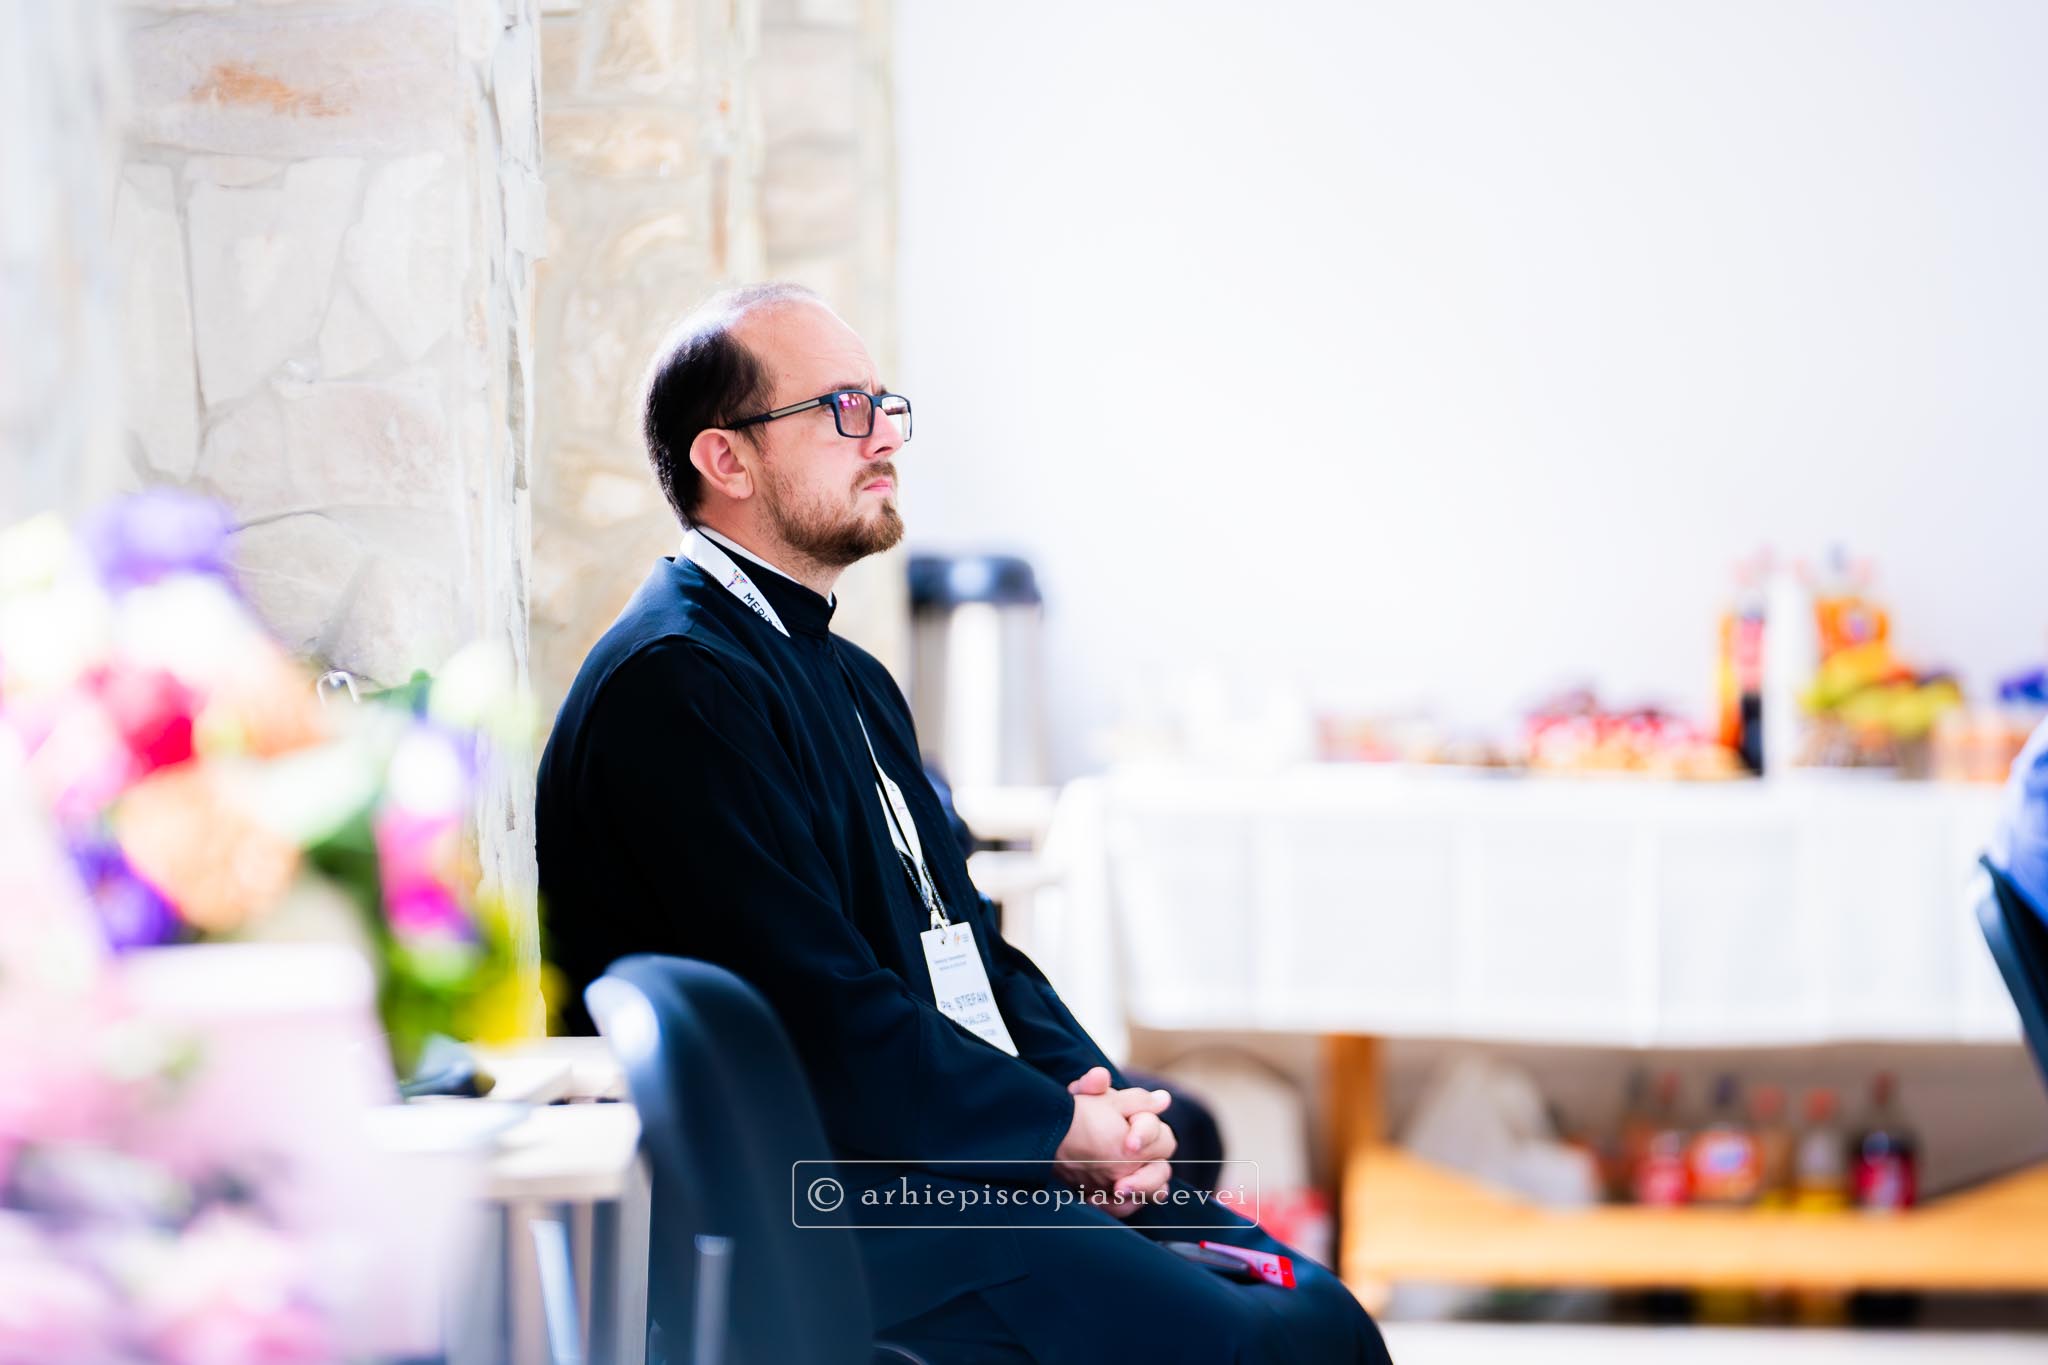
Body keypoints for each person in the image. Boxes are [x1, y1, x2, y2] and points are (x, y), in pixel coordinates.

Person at [536, 283, 1391, 1363]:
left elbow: (974, 951)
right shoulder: (677, 685)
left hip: (928, 1163)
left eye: (882, 403)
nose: (884, 435)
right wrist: (1050, 1132)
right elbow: (818, 1017)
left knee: (1315, 1312)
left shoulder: (847, 674)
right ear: (727, 460)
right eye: (842, 409)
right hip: (827, 1212)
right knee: (1264, 1342)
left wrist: (1095, 1100)